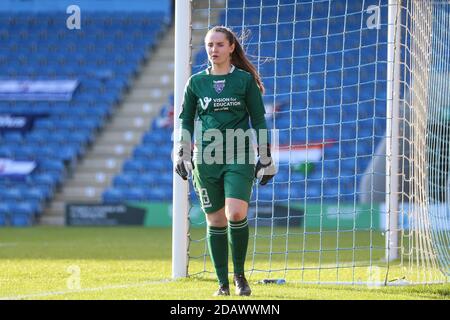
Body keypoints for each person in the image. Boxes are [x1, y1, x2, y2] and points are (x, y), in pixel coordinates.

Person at [175, 26, 275, 296]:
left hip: (238, 155)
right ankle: (222, 284)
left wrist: (266, 155)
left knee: (236, 213)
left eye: (219, 44)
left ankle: (240, 276)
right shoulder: (196, 83)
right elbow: (184, 119)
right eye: (209, 45)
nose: (213, 50)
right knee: (216, 221)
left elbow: (259, 119)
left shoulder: (244, 81)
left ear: (231, 47)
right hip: (206, 158)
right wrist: (182, 151)